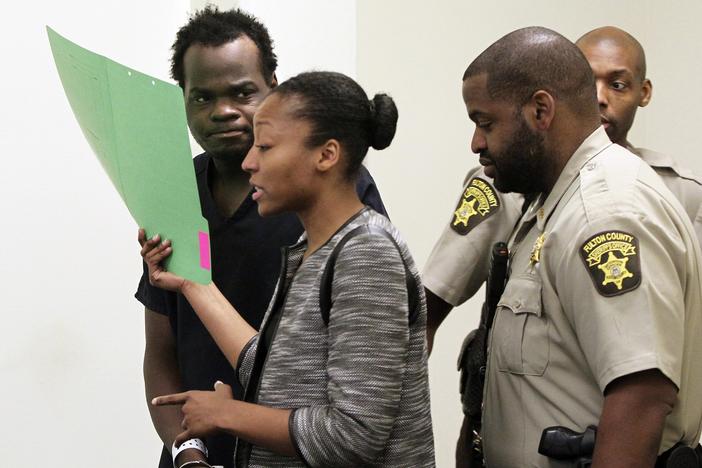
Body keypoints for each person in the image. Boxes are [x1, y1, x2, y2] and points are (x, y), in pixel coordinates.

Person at [140, 71, 435, 467]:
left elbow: (354, 436)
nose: (249, 162)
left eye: (265, 147)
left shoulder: (366, 253)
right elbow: (270, 370)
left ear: (326, 155)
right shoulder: (310, 249)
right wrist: (193, 284)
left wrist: (230, 415)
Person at [459, 27, 702, 467]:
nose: (477, 142)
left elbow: (641, 397)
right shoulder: (553, 204)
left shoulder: (605, 213)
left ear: (540, 111)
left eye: (486, 122)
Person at [576, 26, 702, 241]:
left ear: (643, 93)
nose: (598, 98)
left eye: (617, 85)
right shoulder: (527, 183)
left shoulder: (684, 193)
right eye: (585, 83)